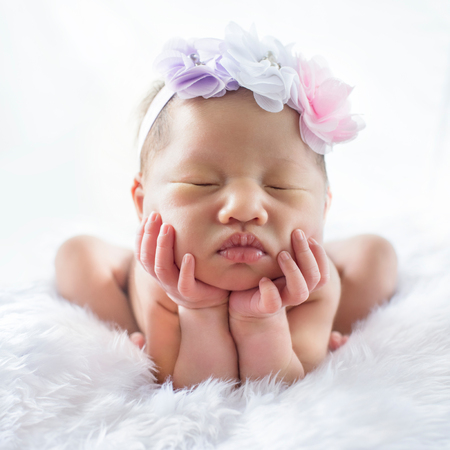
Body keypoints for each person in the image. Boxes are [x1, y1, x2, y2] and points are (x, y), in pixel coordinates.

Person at [55, 23, 398, 389]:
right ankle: (127, 333)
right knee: (76, 255)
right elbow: (188, 386)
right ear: (143, 203)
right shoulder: (159, 279)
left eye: (281, 186)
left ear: (323, 208)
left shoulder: (311, 285)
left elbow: (283, 385)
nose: (245, 207)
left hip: (288, 281)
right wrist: (198, 311)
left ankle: (336, 330)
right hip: (167, 286)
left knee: (376, 255)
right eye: (201, 183)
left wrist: (263, 322)